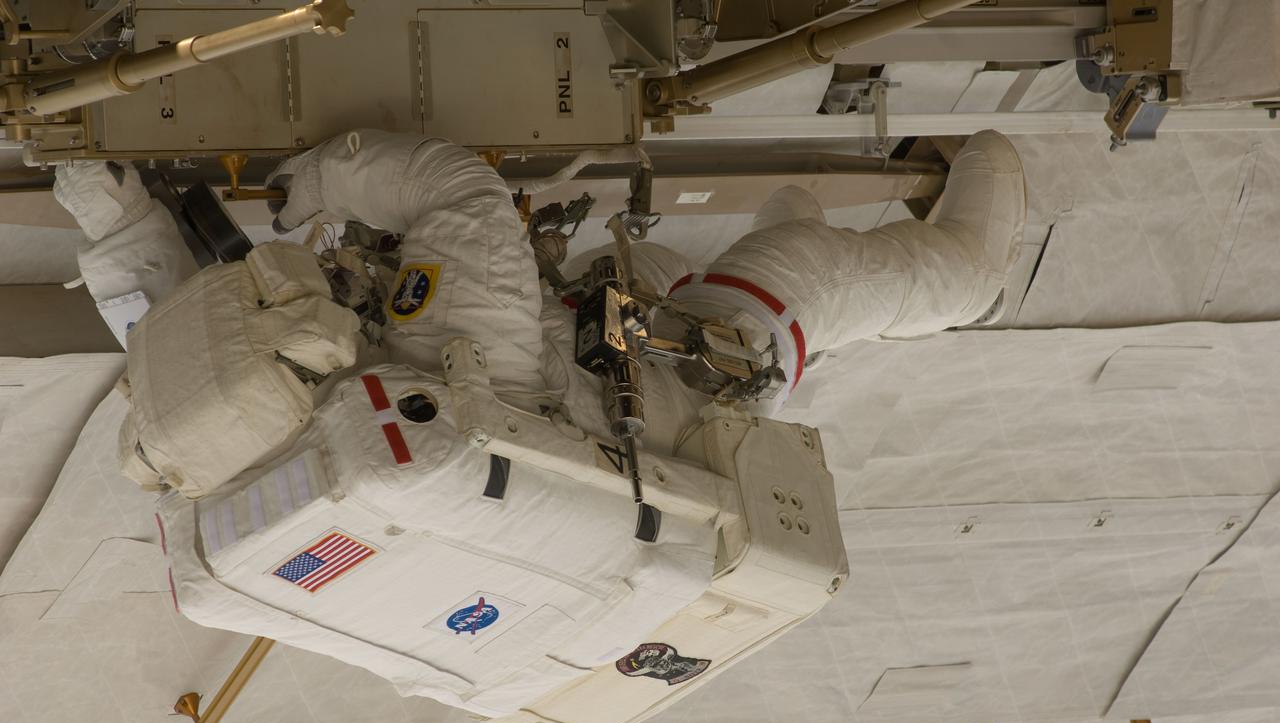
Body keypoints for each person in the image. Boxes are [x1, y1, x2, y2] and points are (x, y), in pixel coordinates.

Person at [54, 128, 1025, 493]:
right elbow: (459, 195)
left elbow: (165, 315)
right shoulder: (444, 358)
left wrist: (95, 189)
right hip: (683, 392)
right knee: (793, 266)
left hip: (585, 332)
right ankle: (972, 269)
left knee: (667, 261)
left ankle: (787, 217)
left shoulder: (226, 405)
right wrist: (315, 182)